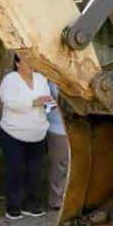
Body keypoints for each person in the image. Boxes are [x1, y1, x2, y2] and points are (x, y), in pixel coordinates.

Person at [0, 53, 52, 220]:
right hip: (13, 133)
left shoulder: (41, 79)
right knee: (15, 170)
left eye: (32, 59)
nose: (30, 63)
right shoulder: (10, 80)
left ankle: (31, 204)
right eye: (27, 59)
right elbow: (9, 101)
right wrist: (33, 102)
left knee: (35, 171)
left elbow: (47, 100)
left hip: (38, 133)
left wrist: (48, 104)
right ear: (17, 63)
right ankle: (13, 206)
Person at [45, 81, 68, 209]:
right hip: (58, 127)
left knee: (69, 164)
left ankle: (67, 197)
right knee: (59, 164)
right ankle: (56, 200)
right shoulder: (49, 81)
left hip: (75, 125)